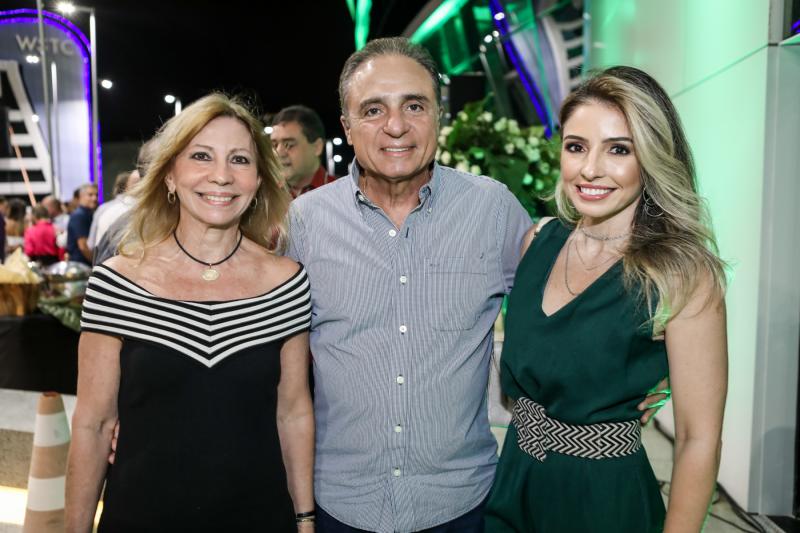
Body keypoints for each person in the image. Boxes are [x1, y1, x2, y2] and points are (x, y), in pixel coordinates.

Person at [288, 39, 663, 533]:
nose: (396, 126)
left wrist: (645, 368)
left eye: (414, 106)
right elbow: (272, 357)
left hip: (464, 505)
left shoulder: (492, 210)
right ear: (346, 126)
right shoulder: (305, 222)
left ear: (438, 115)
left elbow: (575, 298)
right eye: (373, 110)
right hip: (342, 504)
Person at [483, 66, 728, 532]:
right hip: (513, 488)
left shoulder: (680, 274)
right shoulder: (537, 242)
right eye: (576, 146)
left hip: (604, 503)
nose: (590, 168)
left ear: (652, 157)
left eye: (619, 149)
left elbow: (698, 439)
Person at [66, 93, 315, 532]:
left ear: (258, 179)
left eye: (240, 159)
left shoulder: (286, 283)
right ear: (169, 175)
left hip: (258, 520)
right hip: (140, 520)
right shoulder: (117, 283)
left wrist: (305, 520)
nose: (221, 175)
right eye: (201, 156)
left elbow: (292, 414)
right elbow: (94, 425)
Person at [270, 105, 336, 197]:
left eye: (289, 145)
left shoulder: (341, 194)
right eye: (274, 145)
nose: (279, 153)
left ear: (317, 147)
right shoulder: (266, 195)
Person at [66, 183, 98, 264]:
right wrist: (95, 264)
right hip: (81, 265)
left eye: (96, 195)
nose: (94, 198)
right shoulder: (79, 215)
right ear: (81, 196)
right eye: (90, 195)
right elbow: (83, 246)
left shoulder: (87, 213)